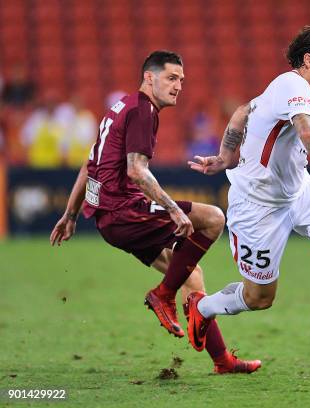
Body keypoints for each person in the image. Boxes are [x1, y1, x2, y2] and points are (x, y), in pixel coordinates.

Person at [49, 50, 260, 374]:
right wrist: (174, 209)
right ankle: (163, 295)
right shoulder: (143, 111)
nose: (178, 86)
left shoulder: (120, 107)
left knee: (191, 273)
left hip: (110, 217)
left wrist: (72, 214)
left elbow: (89, 164)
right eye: (171, 78)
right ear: (150, 77)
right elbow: (136, 170)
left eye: (182, 80)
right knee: (214, 218)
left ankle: (222, 361)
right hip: (124, 210)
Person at [187, 26, 310, 352]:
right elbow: (307, 132)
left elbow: (241, 112)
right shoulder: (293, 84)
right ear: (308, 60)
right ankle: (202, 308)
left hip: (299, 191)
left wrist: (224, 155)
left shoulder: (280, 89)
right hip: (256, 207)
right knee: (259, 299)